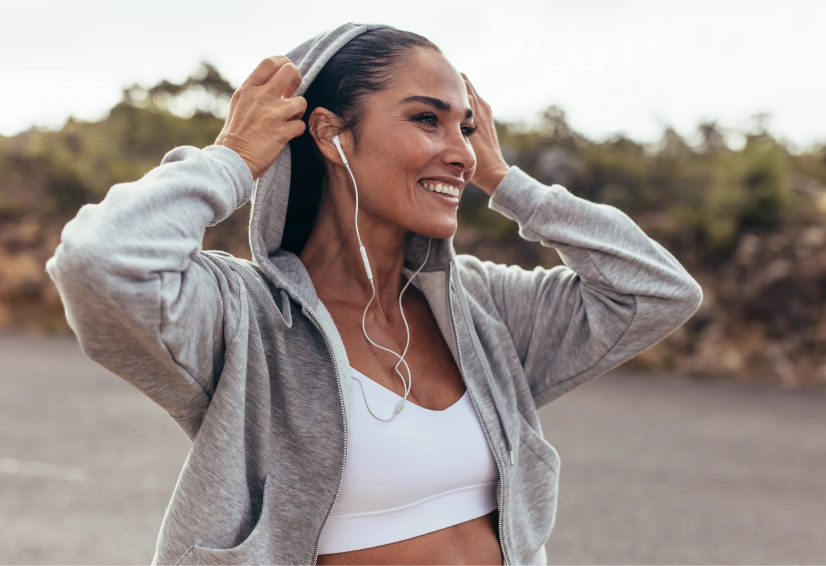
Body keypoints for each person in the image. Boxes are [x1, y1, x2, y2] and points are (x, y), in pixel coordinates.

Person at [45, 22, 703, 566]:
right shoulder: (245, 319)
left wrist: (507, 182)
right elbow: (98, 262)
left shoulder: (482, 310)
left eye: (466, 129)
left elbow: (658, 291)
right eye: (428, 120)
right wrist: (232, 159)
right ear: (333, 134)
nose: (462, 153)